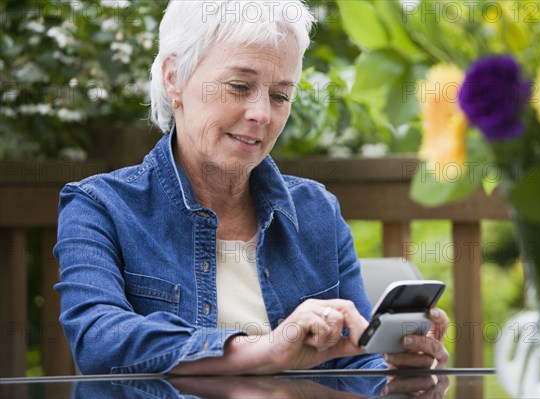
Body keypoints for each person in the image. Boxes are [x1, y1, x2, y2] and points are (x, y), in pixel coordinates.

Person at [54, 0, 449, 376]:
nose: (261, 114)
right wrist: (263, 350)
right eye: (240, 87)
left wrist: (393, 366)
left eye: (280, 95)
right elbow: (99, 340)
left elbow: (357, 365)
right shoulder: (98, 206)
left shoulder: (317, 211)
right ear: (174, 78)